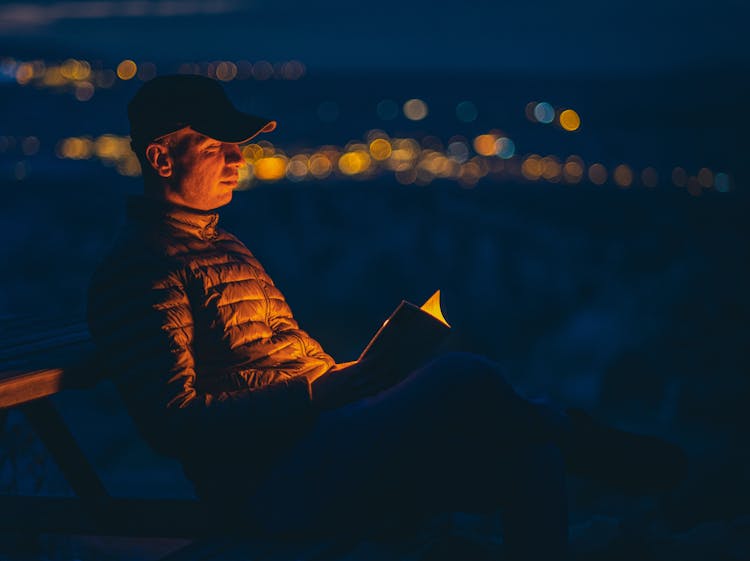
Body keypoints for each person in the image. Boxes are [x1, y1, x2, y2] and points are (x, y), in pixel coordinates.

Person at [87, 74, 686, 560]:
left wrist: (356, 377)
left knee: (527, 458)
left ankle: (563, 439)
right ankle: (582, 437)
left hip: (321, 444)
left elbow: (282, 359)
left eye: (237, 143)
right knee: (462, 376)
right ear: (162, 158)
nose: (237, 157)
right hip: (269, 484)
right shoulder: (140, 271)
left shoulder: (226, 248)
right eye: (216, 145)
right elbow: (174, 423)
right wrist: (317, 393)